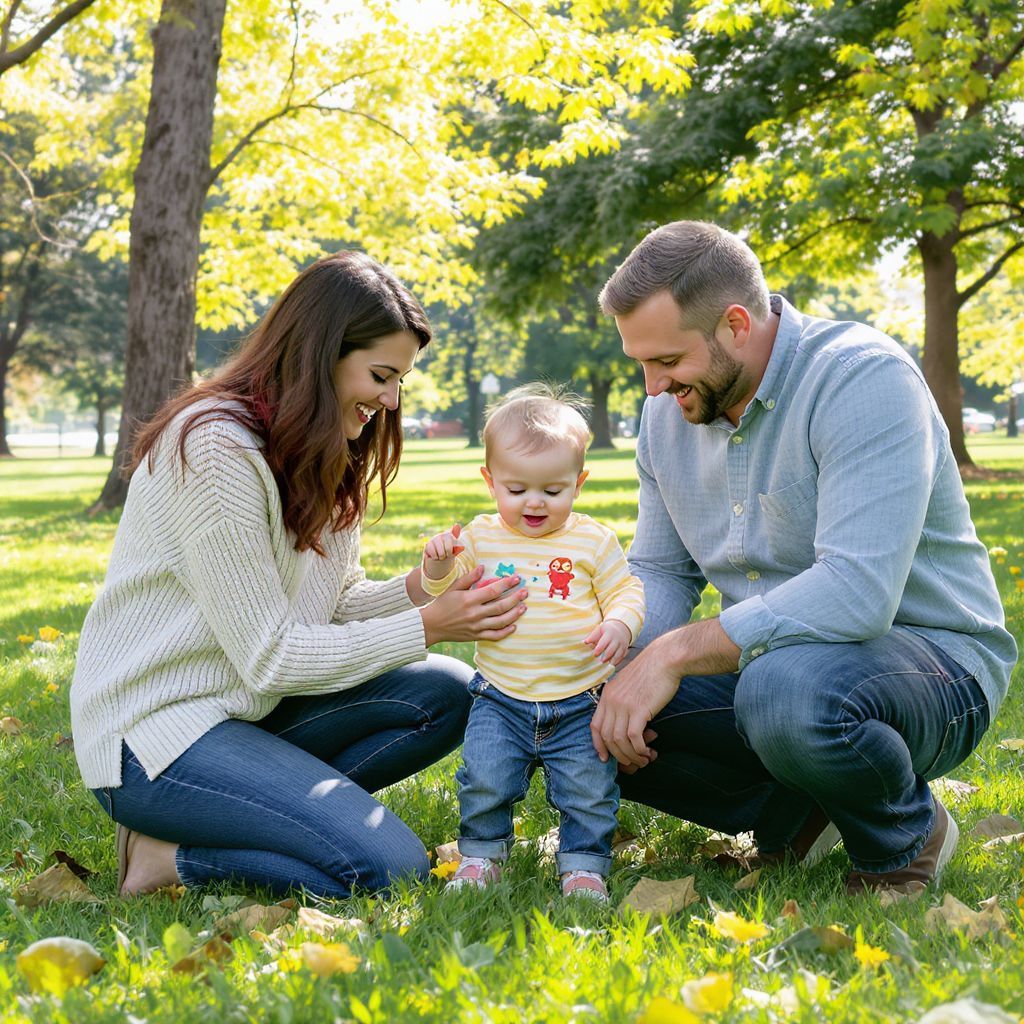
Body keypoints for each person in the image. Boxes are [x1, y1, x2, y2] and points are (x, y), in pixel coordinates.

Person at [70, 251, 529, 898]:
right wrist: (428, 625)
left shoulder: (323, 449)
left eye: (400, 381)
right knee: (387, 869)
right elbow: (271, 657)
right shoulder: (214, 449)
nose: (391, 400)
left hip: (245, 717)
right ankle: (169, 859)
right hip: (154, 743)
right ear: (319, 354)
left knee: (448, 692)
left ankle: (281, 812)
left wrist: (423, 591)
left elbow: (332, 603)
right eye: (380, 375)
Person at [592, 221, 1017, 897]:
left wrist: (670, 655)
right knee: (565, 701)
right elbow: (664, 572)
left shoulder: (861, 378)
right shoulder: (667, 416)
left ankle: (905, 838)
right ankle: (801, 817)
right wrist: (610, 656)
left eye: (667, 360)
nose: (650, 387)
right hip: (770, 664)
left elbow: (857, 594)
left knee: (784, 692)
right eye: (641, 362)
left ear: (735, 324)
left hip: (931, 662)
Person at [420, 384, 645, 901]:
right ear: (490, 481)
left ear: (578, 483)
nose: (535, 503)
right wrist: (436, 563)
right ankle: (482, 855)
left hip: (579, 699)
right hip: (501, 696)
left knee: (588, 792)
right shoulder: (479, 537)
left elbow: (626, 590)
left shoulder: (592, 540)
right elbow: (441, 587)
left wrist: (619, 624)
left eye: (553, 490)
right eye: (516, 490)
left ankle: (585, 866)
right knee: (484, 780)